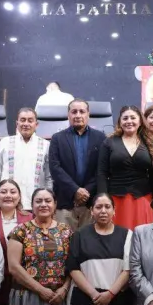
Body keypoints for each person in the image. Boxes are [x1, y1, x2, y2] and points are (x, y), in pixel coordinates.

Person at [48, 99, 107, 230]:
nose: (78, 115)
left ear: (88, 114)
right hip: (65, 203)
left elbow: (101, 169)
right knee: (64, 246)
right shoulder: (57, 138)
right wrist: (75, 190)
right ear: (68, 115)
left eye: (82, 111)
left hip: (91, 204)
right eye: (74, 112)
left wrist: (85, 193)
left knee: (89, 246)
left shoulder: (100, 138)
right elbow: (55, 168)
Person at [97, 105, 153, 231]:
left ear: (140, 121)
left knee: (142, 239)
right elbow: (101, 173)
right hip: (116, 200)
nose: (129, 121)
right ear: (120, 122)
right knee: (117, 239)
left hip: (143, 198)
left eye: (133, 118)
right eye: (125, 118)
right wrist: (103, 200)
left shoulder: (149, 144)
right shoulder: (109, 142)